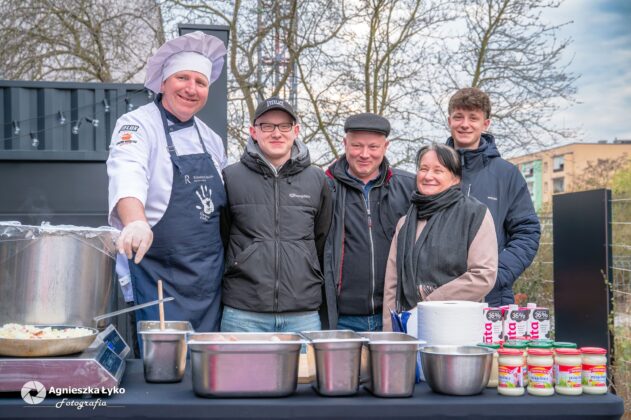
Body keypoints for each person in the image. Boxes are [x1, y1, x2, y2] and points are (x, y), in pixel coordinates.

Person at [107, 31, 228, 332]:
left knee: (206, 358)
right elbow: (128, 170)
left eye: (200, 82)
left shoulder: (211, 139)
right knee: (162, 357)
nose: (191, 88)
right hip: (158, 275)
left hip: (207, 280)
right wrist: (135, 221)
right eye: (182, 78)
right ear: (163, 83)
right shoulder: (137, 124)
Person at [220, 97, 332, 332]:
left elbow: (322, 238)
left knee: (306, 362)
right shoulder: (231, 177)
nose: (277, 133)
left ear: (296, 131)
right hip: (243, 313)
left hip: (303, 313)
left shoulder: (317, 179)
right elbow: (223, 236)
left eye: (284, 126)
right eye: (267, 126)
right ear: (253, 132)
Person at [382, 143, 498, 331]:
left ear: (455, 178)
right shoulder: (405, 222)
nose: (428, 176)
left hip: (457, 327)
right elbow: (392, 284)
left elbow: (483, 275)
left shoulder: (474, 215)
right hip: (409, 327)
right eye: (423, 169)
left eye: (438, 171)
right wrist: (391, 332)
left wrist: (430, 304)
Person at [446, 87, 541, 306]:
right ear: (449, 121)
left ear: (485, 124)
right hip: (440, 294)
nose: (465, 124)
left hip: (492, 298)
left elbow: (527, 232)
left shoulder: (506, 174)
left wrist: (496, 275)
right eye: (458, 117)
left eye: (473, 118)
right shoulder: (434, 171)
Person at [322, 113, 415, 331]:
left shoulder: (409, 187)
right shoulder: (324, 187)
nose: (365, 154)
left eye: (373, 147)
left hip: (395, 316)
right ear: (345, 144)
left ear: (385, 146)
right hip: (341, 320)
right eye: (357, 146)